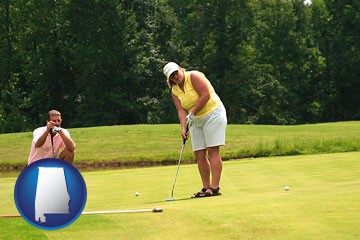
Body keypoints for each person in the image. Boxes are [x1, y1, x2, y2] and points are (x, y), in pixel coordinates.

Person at [163, 62, 227, 197]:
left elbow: (205, 95)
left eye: (176, 73)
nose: (175, 77)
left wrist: (192, 113)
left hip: (213, 114)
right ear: (169, 79)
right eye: (171, 76)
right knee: (199, 153)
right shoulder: (174, 91)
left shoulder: (194, 76)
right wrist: (183, 128)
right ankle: (206, 187)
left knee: (213, 151)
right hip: (195, 120)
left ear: (181, 69)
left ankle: (214, 188)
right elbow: (181, 110)